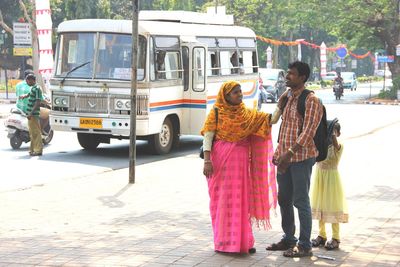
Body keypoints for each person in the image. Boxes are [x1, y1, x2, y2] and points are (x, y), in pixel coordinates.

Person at [201, 81, 277, 254]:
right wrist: (207, 161)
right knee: (222, 201)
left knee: (241, 200)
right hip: (220, 163)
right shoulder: (216, 112)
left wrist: (280, 106)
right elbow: (208, 137)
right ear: (226, 96)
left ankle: (244, 241)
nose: (240, 95)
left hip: (240, 165)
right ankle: (223, 242)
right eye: (235, 92)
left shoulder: (247, 114)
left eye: (240, 91)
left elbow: (269, 120)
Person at [266, 61, 323, 257]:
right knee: (284, 199)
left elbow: (307, 133)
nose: (287, 76)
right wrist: (280, 154)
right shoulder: (288, 96)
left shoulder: (311, 100)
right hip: (284, 158)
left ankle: (305, 244)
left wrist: (288, 155)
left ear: (302, 78)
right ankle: (289, 239)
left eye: (291, 74)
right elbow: (278, 121)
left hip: (300, 158)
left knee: (300, 201)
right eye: (287, 73)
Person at [310, 119, 348, 250]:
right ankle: (322, 235)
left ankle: (336, 237)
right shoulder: (321, 146)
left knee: (332, 207)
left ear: (338, 133)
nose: (331, 134)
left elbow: (336, 145)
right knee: (320, 206)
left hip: (332, 180)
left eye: (334, 132)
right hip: (320, 177)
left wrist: (331, 132)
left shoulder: (339, 147)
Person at [21, 73, 44, 156]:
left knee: (36, 132)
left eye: (27, 80)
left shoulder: (37, 88)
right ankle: (33, 149)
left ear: (32, 80)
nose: (26, 82)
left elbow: (38, 101)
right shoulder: (33, 88)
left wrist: (30, 113)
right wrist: (25, 96)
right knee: (32, 132)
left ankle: (38, 151)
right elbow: (31, 94)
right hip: (30, 114)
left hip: (33, 114)